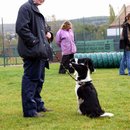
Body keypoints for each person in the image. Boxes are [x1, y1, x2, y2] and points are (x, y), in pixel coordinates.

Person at [16, 0, 53, 117]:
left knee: (39, 80)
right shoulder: (25, 8)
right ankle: (30, 111)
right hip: (32, 52)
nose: (43, 0)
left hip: (40, 52)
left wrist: (49, 33)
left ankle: (38, 105)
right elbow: (21, 28)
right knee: (31, 80)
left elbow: (43, 29)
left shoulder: (36, 10)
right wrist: (35, 41)